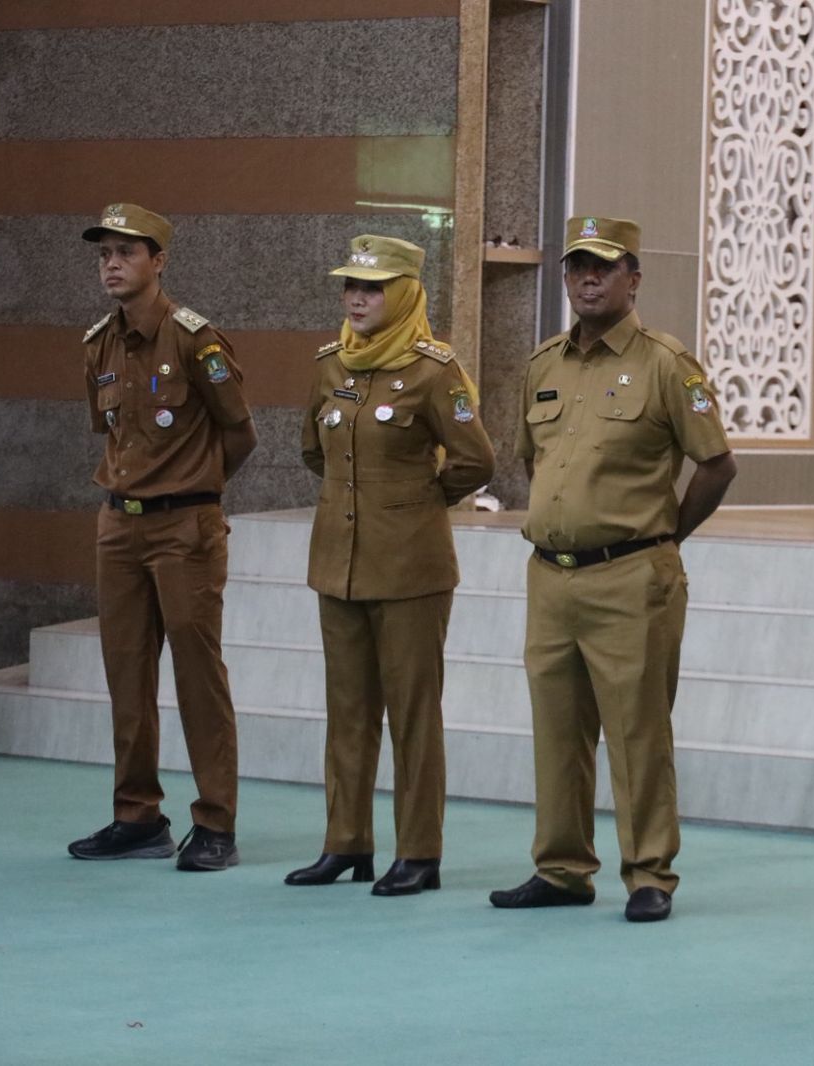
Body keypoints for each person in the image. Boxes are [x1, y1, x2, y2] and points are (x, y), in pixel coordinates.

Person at [489, 217, 737, 923]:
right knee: (557, 731)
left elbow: (717, 464)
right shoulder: (543, 364)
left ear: (634, 278)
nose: (588, 279)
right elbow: (532, 461)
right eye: (577, 267)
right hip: (551, 576)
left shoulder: (667, 364)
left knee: (637, 732)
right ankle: (562, 868)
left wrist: (665, 537)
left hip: (632, 575)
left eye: (603, 267)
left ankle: (649, 872)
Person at [286, 235, 495, 896]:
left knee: (412, 713)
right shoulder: (331, 365)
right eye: (351, 285)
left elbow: (475, 459)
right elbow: (312, 449)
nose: (356, 298)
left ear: (403, 294)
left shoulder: (435, 372)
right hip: (338, 565)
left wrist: (414, 503)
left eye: (372, 288)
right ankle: (346, 842)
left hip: (410, 568)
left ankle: (419, 852)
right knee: (346, 712)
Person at [67, 204, 257, 871]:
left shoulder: (194, 340)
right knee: (126, 674)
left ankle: (216, 823)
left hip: (184, 526)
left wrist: (194, 489)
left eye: (127, 252)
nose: (112, 264)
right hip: (118, 525)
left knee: (198, 676)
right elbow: (113, 434)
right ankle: (137, 816)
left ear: (159, 261)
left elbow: (240, 432)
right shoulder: (99, 344)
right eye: (104, 253)